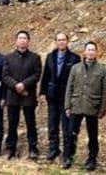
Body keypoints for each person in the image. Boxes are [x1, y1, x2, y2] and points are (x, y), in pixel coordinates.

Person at [61, 41, 106, 171]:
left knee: (93, 135)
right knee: (71, 133)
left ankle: (92, 159)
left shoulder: (102, 70)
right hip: (76, 105)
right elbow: (69, 88)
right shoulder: (75, 68)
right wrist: (67, 106)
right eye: (89, 49)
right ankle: (68, 157)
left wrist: (102, 109)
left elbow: (105, 91)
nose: (91, 52)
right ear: (84, 52)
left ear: (96, 52)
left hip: (92, 107)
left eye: (93, 50)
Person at [40, 32, 81, 162]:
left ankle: (67, 153)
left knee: (67, 127)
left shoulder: (74, 58)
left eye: (63, 40)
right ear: (56, 42)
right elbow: (45, 75)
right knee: (52, 124)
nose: (61, 42)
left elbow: (77, 80)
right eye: (59, 40)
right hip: (52, 96)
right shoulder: (50, 57)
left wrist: (74, 97)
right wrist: (42, 92)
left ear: (67, 41)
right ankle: (53, 148)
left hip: (66, 97)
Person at [3, 30, 42, 160]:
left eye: (25, 38)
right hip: (12, 96)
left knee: (31, 123)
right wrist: (16, 85)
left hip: (28, 95)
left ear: (28, 41)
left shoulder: (35, 58)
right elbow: (5, 75)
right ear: (16, 41)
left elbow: (37, 75)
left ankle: (33, 149)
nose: (22, 40)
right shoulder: (8, 57)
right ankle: (11, 149)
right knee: (12, 123)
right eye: (20, 38)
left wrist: (24, 85)